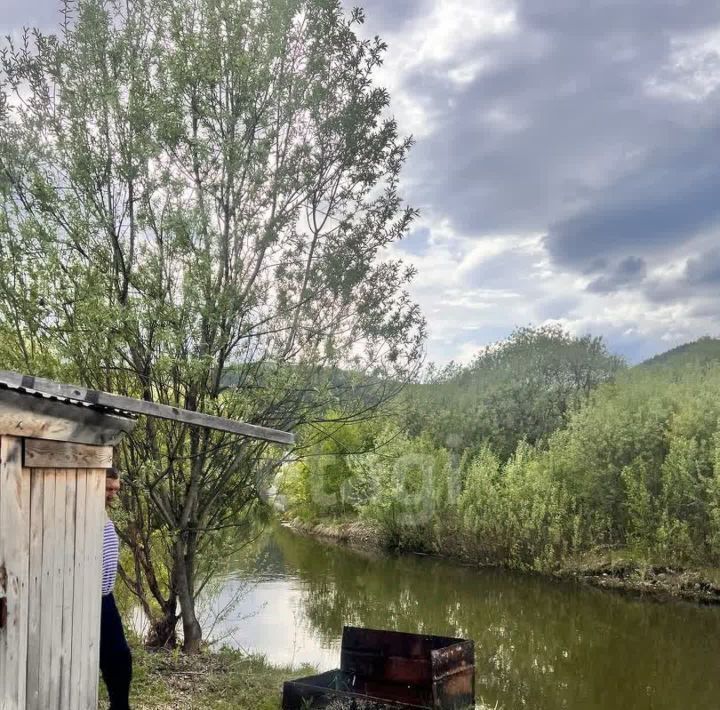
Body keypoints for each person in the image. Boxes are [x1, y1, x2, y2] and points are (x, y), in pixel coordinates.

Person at [100, 467, 132, 710]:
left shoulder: (102, 512)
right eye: (108, 488)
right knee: (115, 657)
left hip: (105, 598)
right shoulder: (87, 510)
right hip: (89, 599)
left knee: (120, 659)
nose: (112, 494)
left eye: (115, 489)